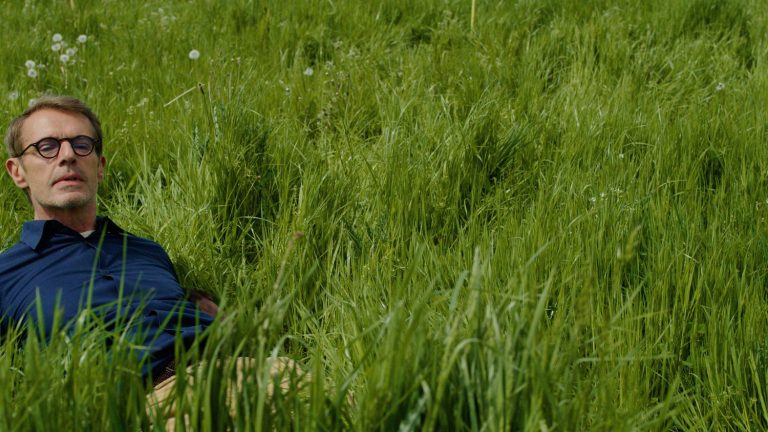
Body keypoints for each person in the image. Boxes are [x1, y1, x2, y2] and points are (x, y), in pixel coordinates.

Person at [0, 95, 219, 388]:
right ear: (18, 172)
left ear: (100, 167)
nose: (68, 155)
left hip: (243, 365)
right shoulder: (6, 273)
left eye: (81, 144)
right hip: (159, 397)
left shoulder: (148, 251)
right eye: (47, 147)